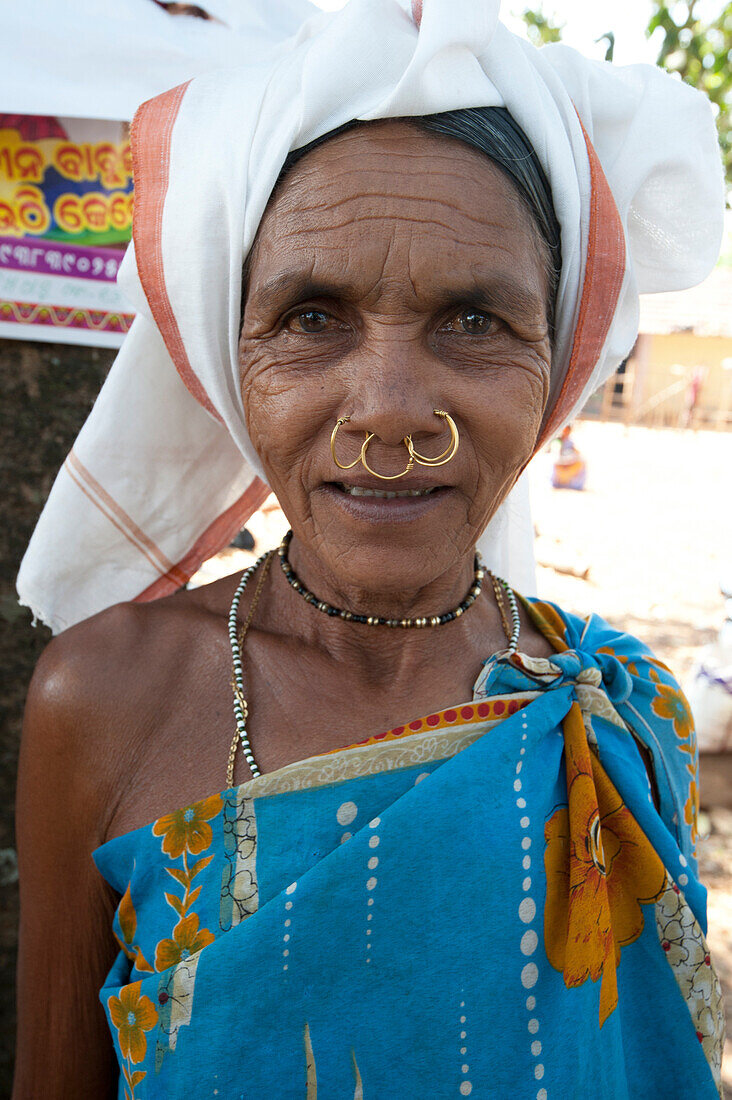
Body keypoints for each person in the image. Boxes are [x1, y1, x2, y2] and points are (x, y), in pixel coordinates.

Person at [13, 1, 726, 1096]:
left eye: (475, 320)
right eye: (311, 317)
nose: (389, 410)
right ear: (224, 348)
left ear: (558, 355)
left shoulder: (622, 715)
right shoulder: (104, 699)